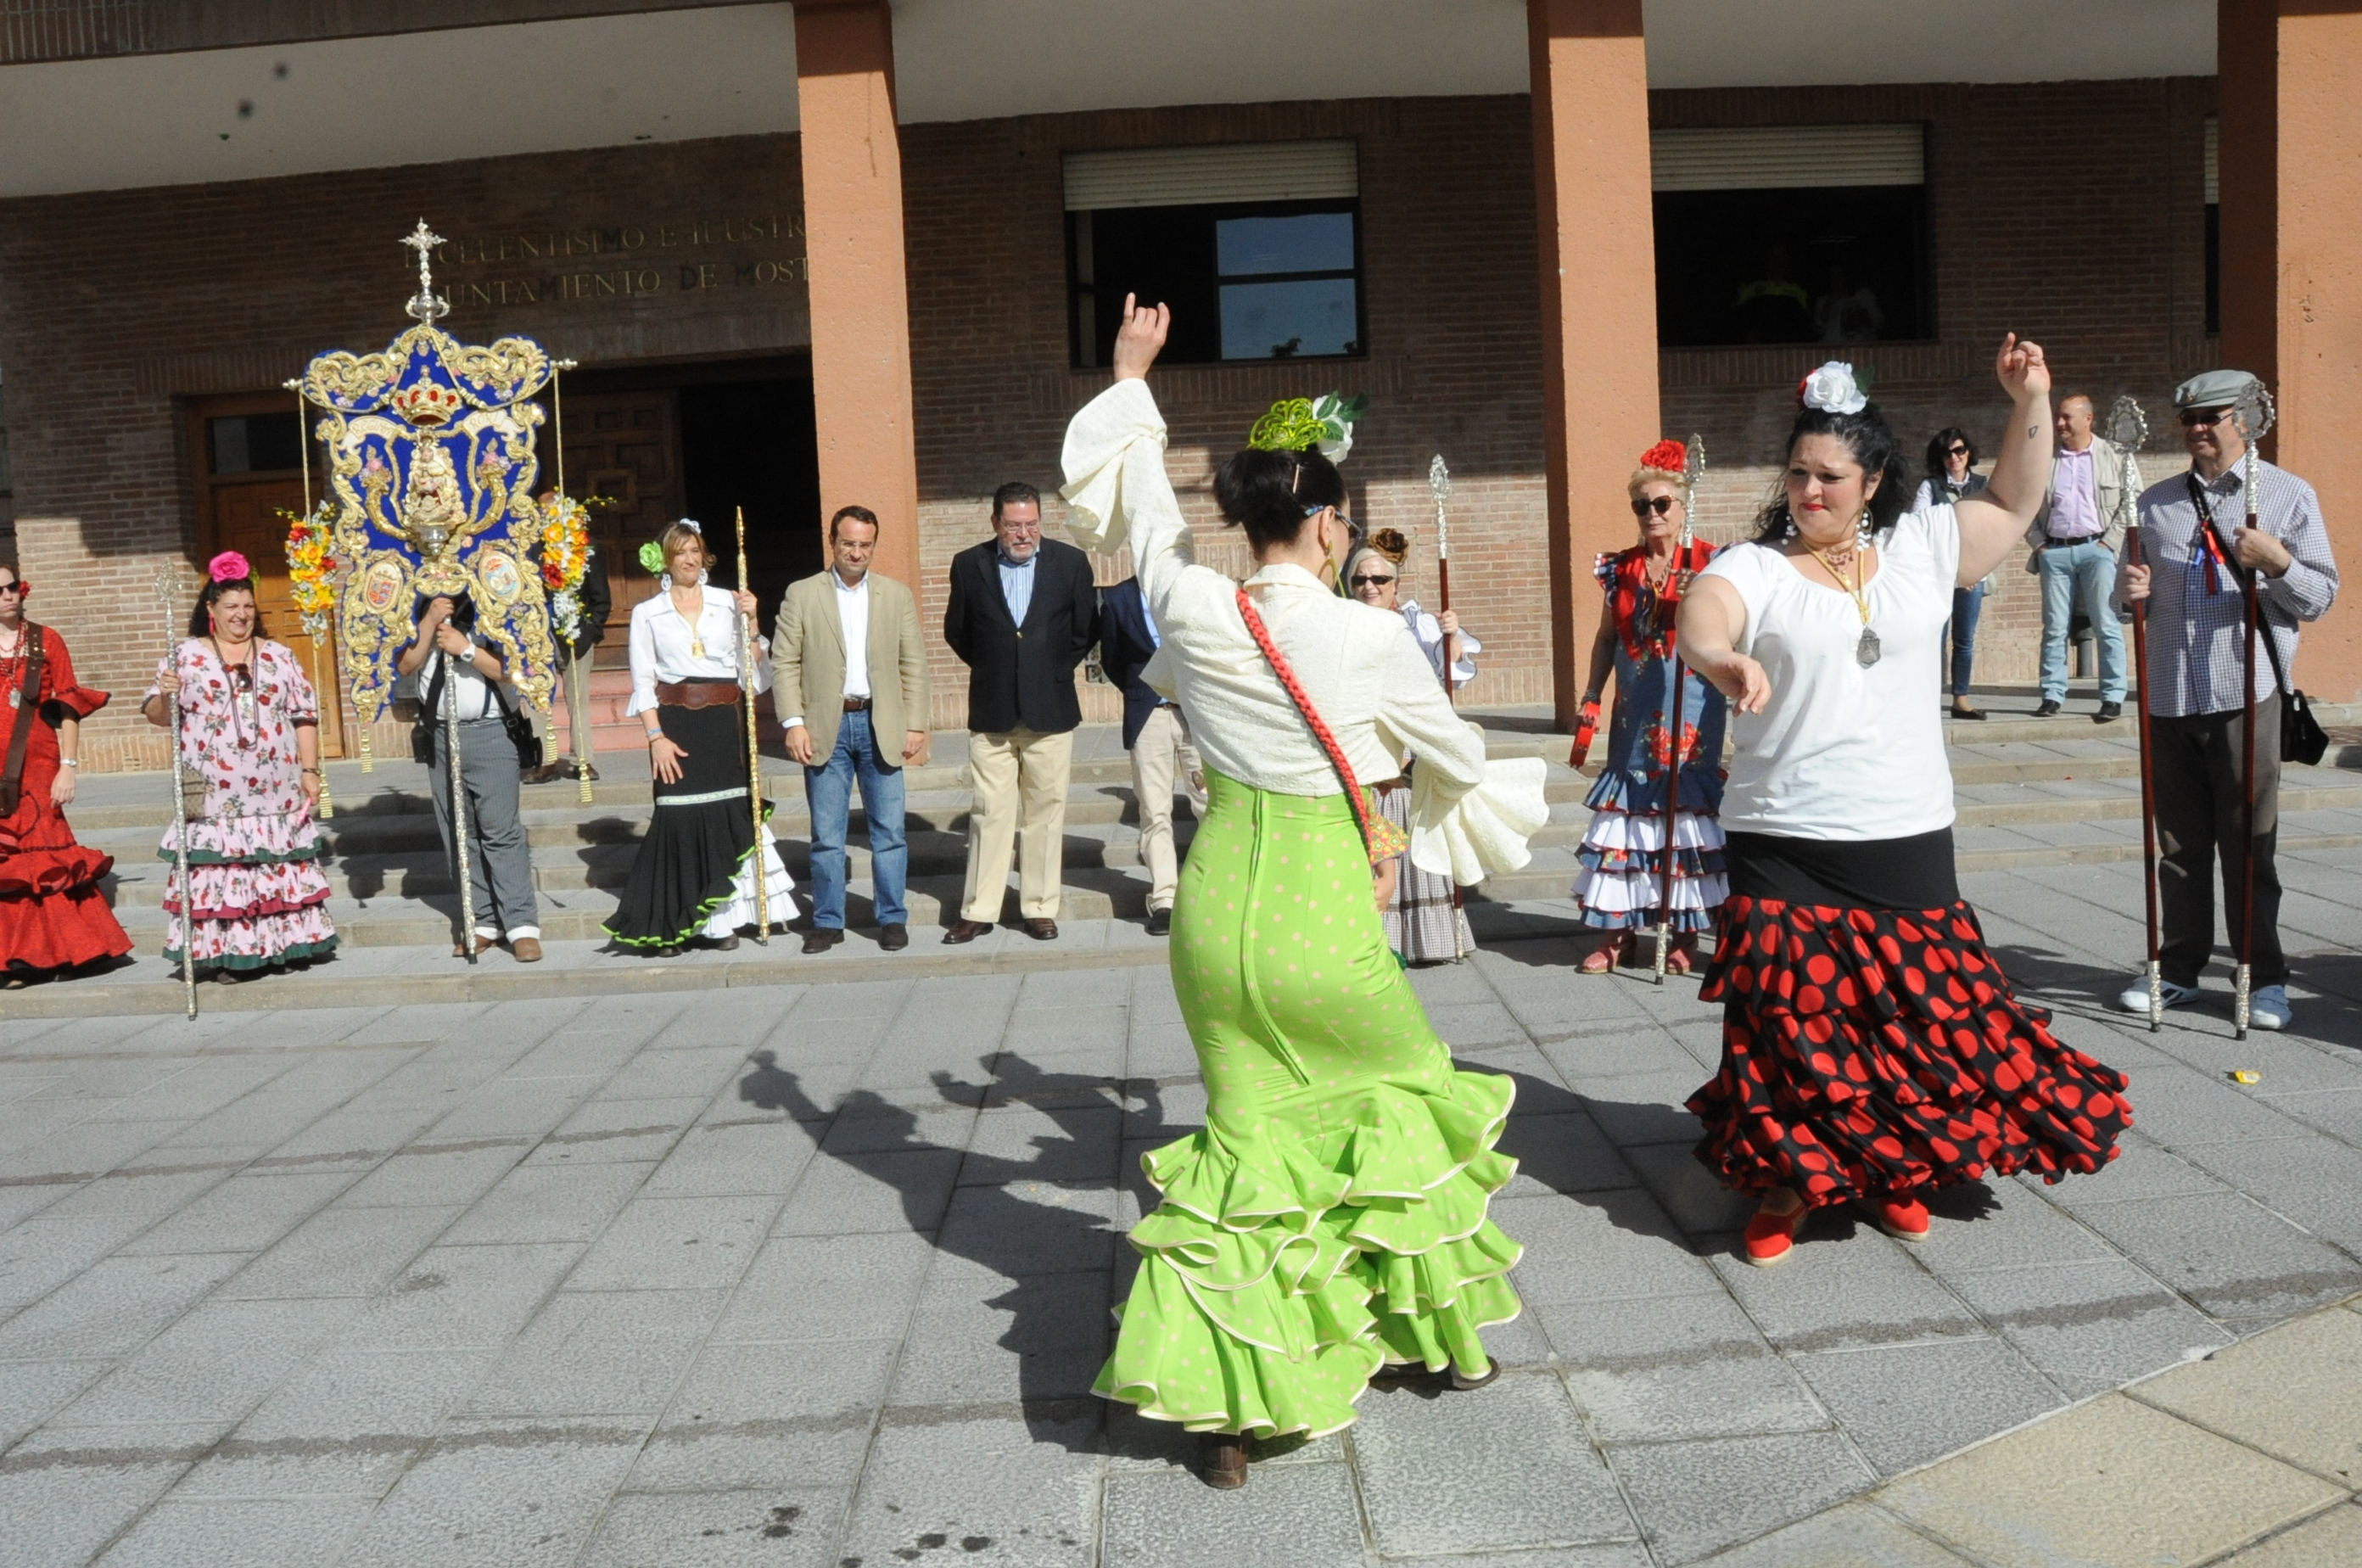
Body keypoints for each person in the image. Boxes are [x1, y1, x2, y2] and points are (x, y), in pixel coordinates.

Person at [1062, 295, 1548, 1487]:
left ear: (1249, 519)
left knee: (1245, 1148)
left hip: (1218, 906)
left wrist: (1134, 375)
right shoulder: (1371, 639)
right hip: (1325, 906)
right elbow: (1463, 759)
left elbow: (1147, 516)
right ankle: (1441, 1344)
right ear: (1327, 527)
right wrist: (1411, 812)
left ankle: (1230, 1420)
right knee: (1400, 1103)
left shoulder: (1189, 604)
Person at [1676, 345, 2133, 1268]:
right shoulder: (1755, 566)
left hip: (1903, 827)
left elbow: (2014, 501)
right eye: (1799, 474)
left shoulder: (1923, 546)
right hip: (1785, 833)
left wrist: (2031, 398)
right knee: (1791, 1027)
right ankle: (1787, 1178)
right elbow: (1703, 611)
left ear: (1873, 479)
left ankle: (1895, 1168)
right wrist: (1721, 659)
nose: (1811, 491)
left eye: (1830, 477)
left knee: (1913, 1016)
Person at [2113, 370, 2339, 1032]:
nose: (2199, 430)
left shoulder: (2289, 496)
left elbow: (2319, 598)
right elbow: (2125, 607)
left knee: (2248, 844)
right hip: (2170, 693)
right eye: (2190, 420)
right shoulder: (2154, 503)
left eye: (2212, 417)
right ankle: (2177, 970)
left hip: (2247, 692)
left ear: (2245, 419)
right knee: (2178, 847)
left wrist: (2277, 562)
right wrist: (2127, 594)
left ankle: (2261, 976)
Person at [1571, 443, 1727, 973]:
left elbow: (1738, 633)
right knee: (1630, 817)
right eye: (1642, 505)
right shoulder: (1619, 569)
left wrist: (1700, 597)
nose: (1653, 514)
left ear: (1683, 506)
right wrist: (1591, 694)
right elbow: (1604, 638)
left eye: (1662, 503)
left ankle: (1681, 932)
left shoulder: (1712, 564)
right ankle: (1618, 934)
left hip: (1693, 712)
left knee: (1682, 820)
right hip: (1633, 714)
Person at [607, 520, 795, 955]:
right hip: (675, 724)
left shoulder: (727, 602)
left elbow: (755, 679)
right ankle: (676, 921)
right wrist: (655, 737)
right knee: (678, 817)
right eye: (680, 553)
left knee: (725, 814)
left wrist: (752, 623)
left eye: (695, 551)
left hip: (721, 723)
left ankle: (719, 922)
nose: (689, 559)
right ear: (667, 560)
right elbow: (642, 680)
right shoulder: (646, 612)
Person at [941, 481, 1100, 944]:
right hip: (991, 711)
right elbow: (958, 631)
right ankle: (979, 909)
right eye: (1013, 525)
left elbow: (1084, 629)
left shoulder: (1070, 564)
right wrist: (999, 669)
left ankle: (1038, 907)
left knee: (1045, 814)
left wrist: (1045, 670)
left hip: (1050, 709)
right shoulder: (969, 565)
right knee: (989, 811)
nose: (1023, 534)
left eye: (1031, 524)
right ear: (995, 524)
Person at [773, 504, 931, 955]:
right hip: (827, 725)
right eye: (849, 543)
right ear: (833, 542)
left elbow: (913, 664)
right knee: (826, 834)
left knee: (889, 831)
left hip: (880, 722)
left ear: (873, 546)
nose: (857, 552)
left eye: (865, 544)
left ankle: (892, 917)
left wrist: (916, 724)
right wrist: (794, 723)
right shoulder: (803, 594)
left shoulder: (895, 595)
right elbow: (784, 662)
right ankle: (828, 921)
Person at [1346, 528, 1480, 964]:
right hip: (1366, 754)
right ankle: (1379, 943)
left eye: (1379, 580)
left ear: (1395, 585)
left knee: (1415, 847)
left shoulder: (1417, 626)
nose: (1369, 586)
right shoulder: (1341, 626)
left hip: (1410, 753)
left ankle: (1428, 940)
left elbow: (1447, 679)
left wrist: (1451, 640)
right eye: (1360, 580)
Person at [0, 559, 131, 986]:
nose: (6, 596)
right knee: (9, 868)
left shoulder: (45, 640)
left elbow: (69, 706)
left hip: (39, 768)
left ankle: (77, 950)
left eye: (11, 587)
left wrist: (68, 767)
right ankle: (21, 959)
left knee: (45, 860)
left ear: (23, 590)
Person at [396, 590, 542, 961]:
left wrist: (465, 648)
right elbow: (405, 665)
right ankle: (482, 921)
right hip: (442, 736)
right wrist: (428, 623)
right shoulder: (418, 608)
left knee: (500, 830)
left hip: (490, 732)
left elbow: (513, 668)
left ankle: (521, 924)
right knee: (460, 833)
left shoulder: (492, 598)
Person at [1098, 572, 1205, 938]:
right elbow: (1112, 659)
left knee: (1210, 806)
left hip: (1196, 714)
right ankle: (1164, 899)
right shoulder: (1118, 598)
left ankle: (1214, 893)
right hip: (1149, 716)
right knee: (1155, 811)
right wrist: (1141, 692)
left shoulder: (1195, 588)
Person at [2026, 393, 2134, 721]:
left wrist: (2110, 543)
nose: (2059, 423)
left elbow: (2132, 500)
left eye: (2067, 417)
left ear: (2089, 419)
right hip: (2054, 551)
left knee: (2106, 623)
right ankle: (2052, 695)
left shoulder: (2113, 455)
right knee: (2055, 627)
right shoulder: (2046, 457)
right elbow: (2025, 499)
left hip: (2096, 549)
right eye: (2058, 417)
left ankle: (2113, 696)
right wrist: (2039, 544)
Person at [526, 511, 611, 785]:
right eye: (541, 515)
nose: (546, 520)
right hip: (539, 636)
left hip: (577, 637)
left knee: (579, 700)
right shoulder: (531, 551)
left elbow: (601, 599)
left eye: (551, 514)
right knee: (538, 701)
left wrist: (590, 633)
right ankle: (545, 762)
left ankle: (582, 761)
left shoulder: (587, 548)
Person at [1916, 428, 1992, 720]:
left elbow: (1989, 533)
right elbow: (1919, 524)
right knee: (1934, 637)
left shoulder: (1983, 485)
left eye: (1959, 450)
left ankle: (1961, 699)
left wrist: (1976, 569)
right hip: (1938, 575)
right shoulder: (1930, 486)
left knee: (1964, 640)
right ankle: (1928, 698)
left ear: (1968, 451)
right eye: (1947, 453)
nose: (1954, 457)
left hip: (1972, 576)